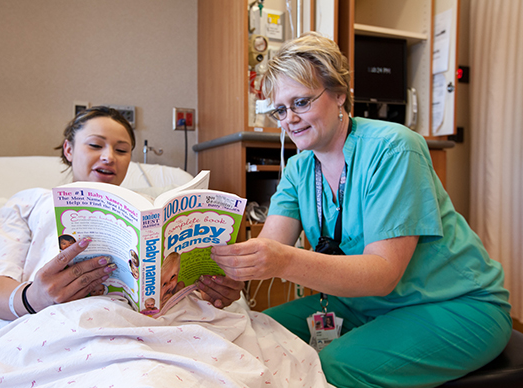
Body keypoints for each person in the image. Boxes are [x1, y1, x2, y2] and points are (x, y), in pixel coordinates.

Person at [210, 32, 512, 388]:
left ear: (339, 93)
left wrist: (281, 261)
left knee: (331, 367)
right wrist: (230, 277)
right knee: (249, 335)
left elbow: (383, 274)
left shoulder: (394, 149)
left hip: (456, 307)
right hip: (356, 305)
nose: (289, 119)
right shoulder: (299, 169)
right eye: (281, 109)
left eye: (301, 102)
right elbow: (271, 244)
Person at [0, 106, 242, 321]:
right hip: (63, 324)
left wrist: (218, 291)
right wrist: (34, 298)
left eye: (122, 150)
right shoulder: (29, 203)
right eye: (95, 145)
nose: (109, 157)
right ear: (68, 150)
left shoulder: (149, 211)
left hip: (164, 326)